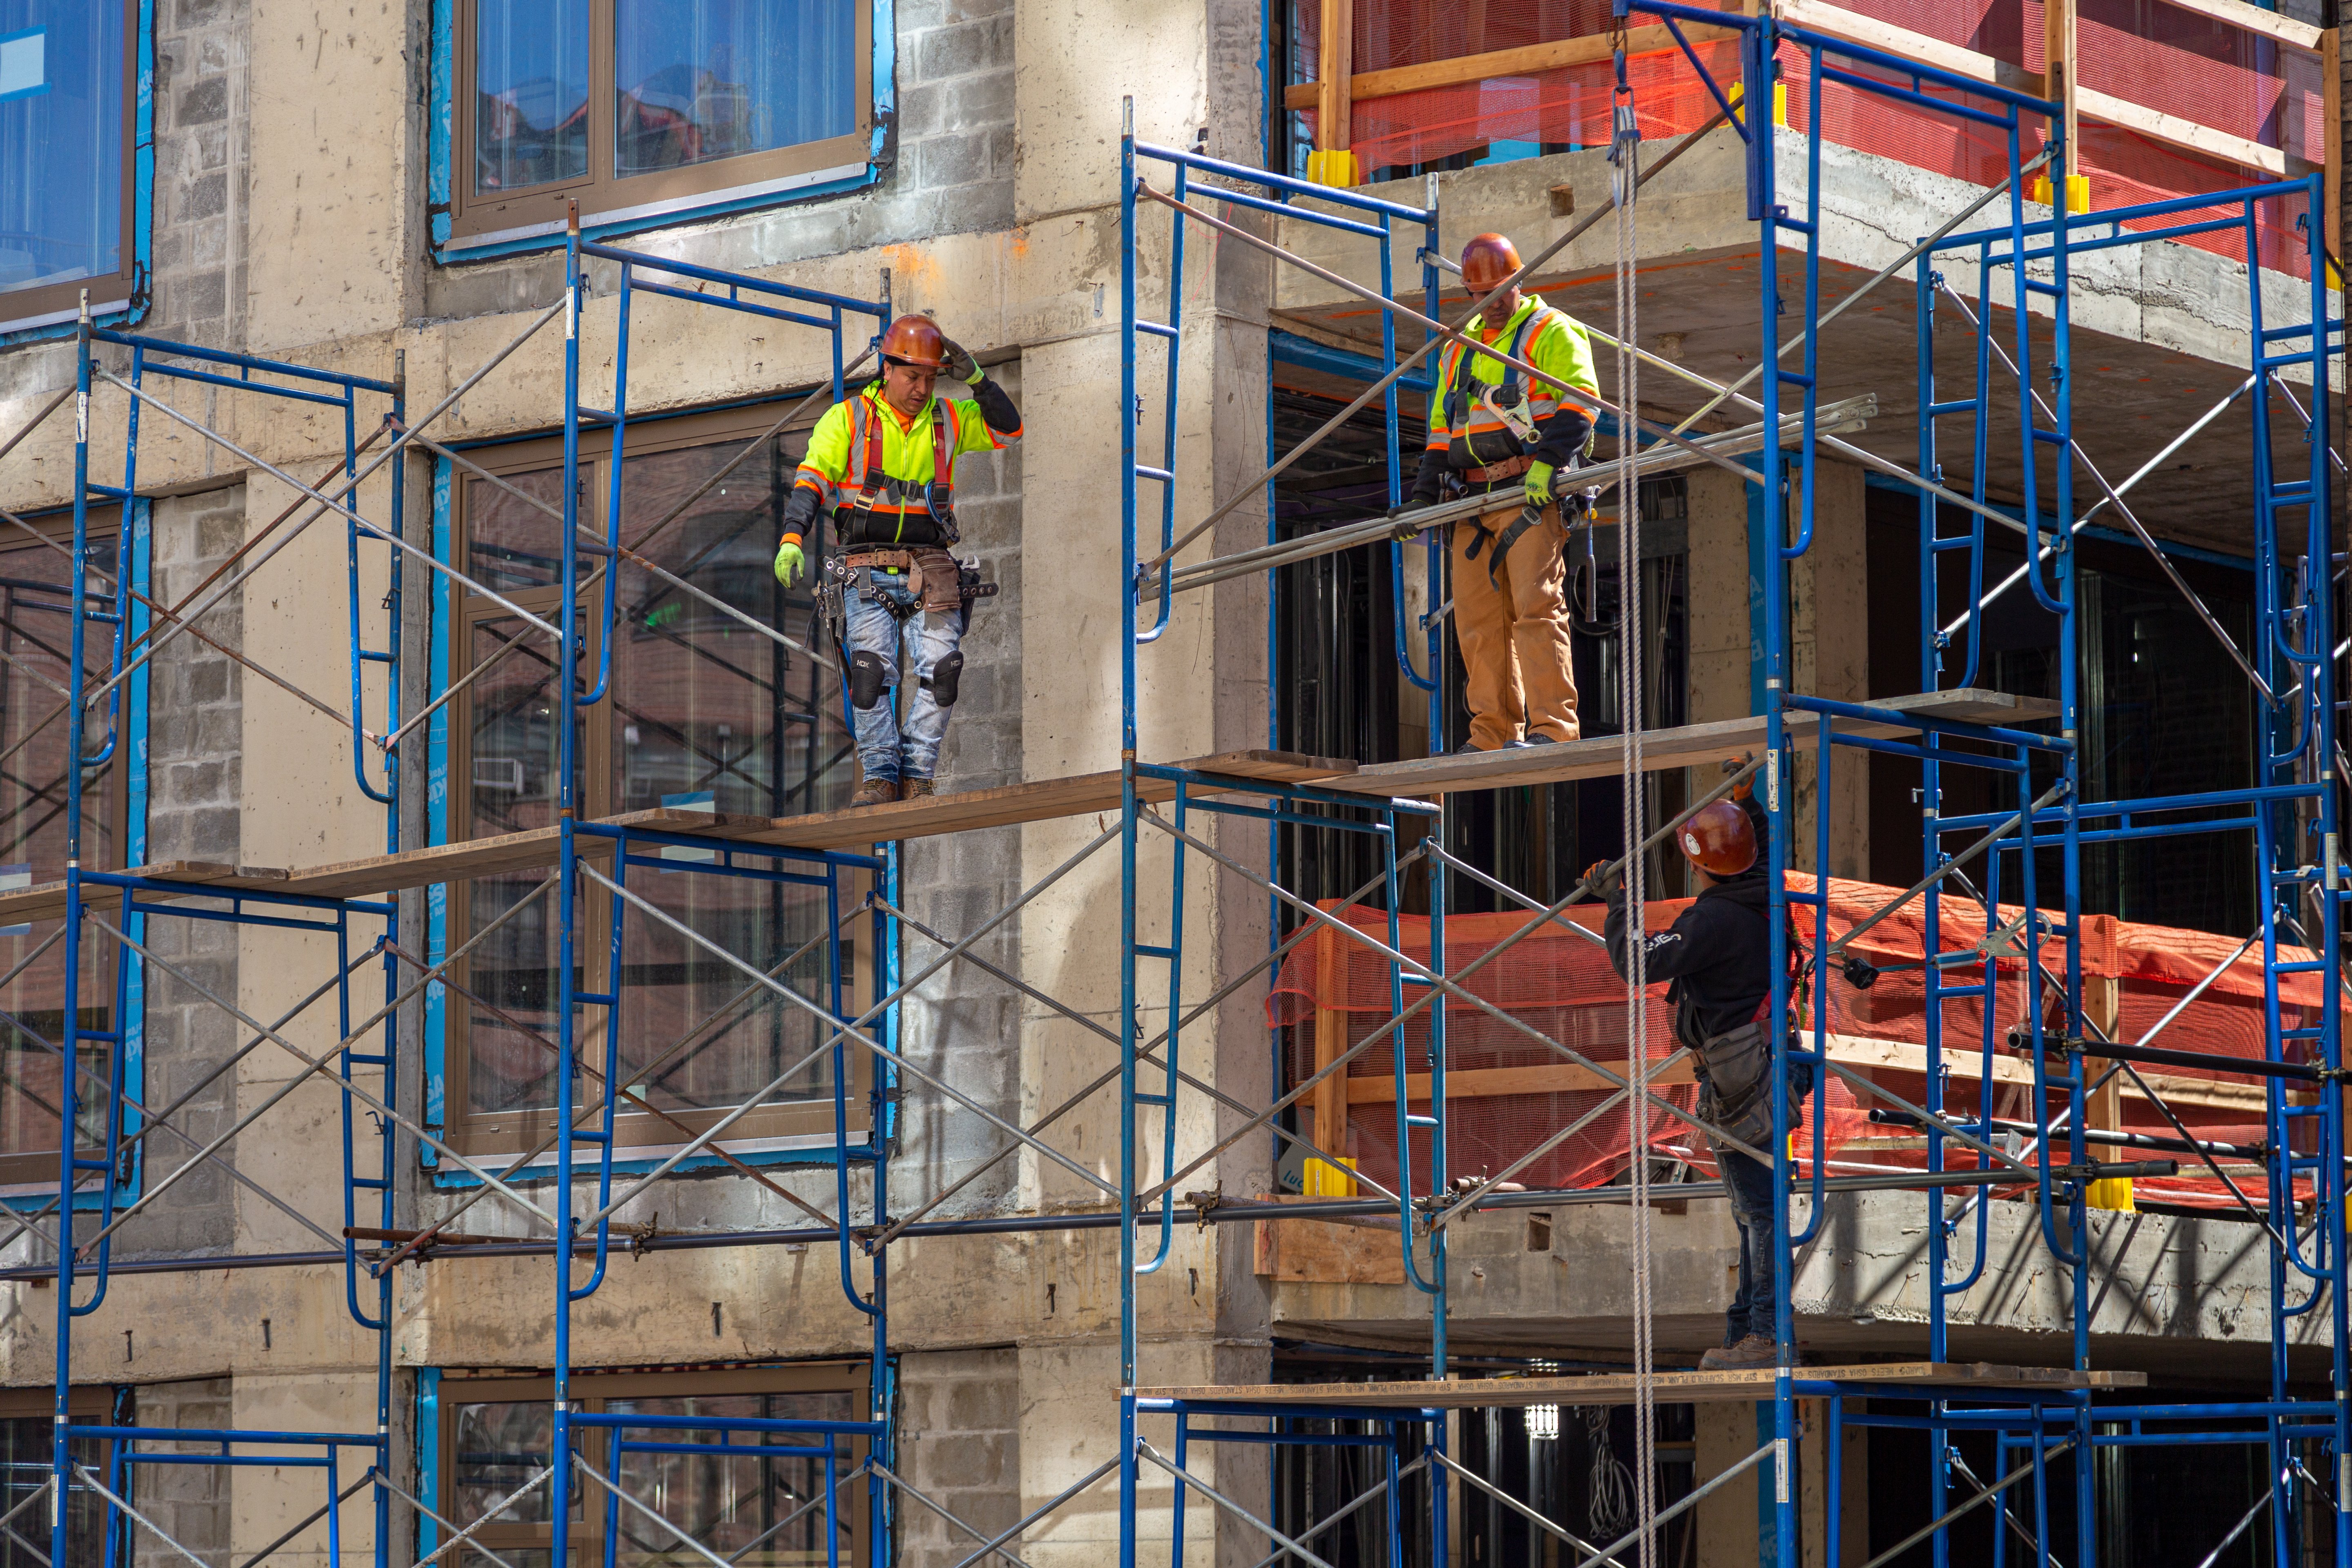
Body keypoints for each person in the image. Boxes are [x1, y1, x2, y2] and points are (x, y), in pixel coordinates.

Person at [776, 315, 1021, 806]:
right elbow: (812, 479)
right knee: (869, 674)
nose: (922, 387)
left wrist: (976, 378)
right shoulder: (847, 419)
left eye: (931, 377)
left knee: (944, 669)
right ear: (887, 369)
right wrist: (791, 537)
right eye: (913, 376)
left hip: (931, 566)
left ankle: (916, 773)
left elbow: (1010, 429)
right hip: (864, 568)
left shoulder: (950, 418)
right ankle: (881, 773)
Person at [1597, 791, 1803, 1371]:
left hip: (1740, 1075)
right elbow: (1757, 851)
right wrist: (1750, 798)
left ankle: (1764, 1334)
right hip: (1771, 1062)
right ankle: (1747, 1331)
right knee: (1755, 1207)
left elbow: (1638, 961)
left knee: (1759, 1209)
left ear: (1698, 863)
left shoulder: (1714, 918)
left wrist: (1616, 904)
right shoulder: (1767, 896)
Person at [1412, 233, 1601, 753]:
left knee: (1537, 609)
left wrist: (1548, 464)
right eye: (1478, 296)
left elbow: (1581, 403)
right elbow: (1440, 431)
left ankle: (1553, 728)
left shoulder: (1550, 331)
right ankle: (1493, 732)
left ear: (1518, 282)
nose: (1489, 305)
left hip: (1527, 493)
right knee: (1476, 624)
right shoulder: (1460, 347)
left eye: (1498, 292)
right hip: (1473, 503)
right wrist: (1424, 497)